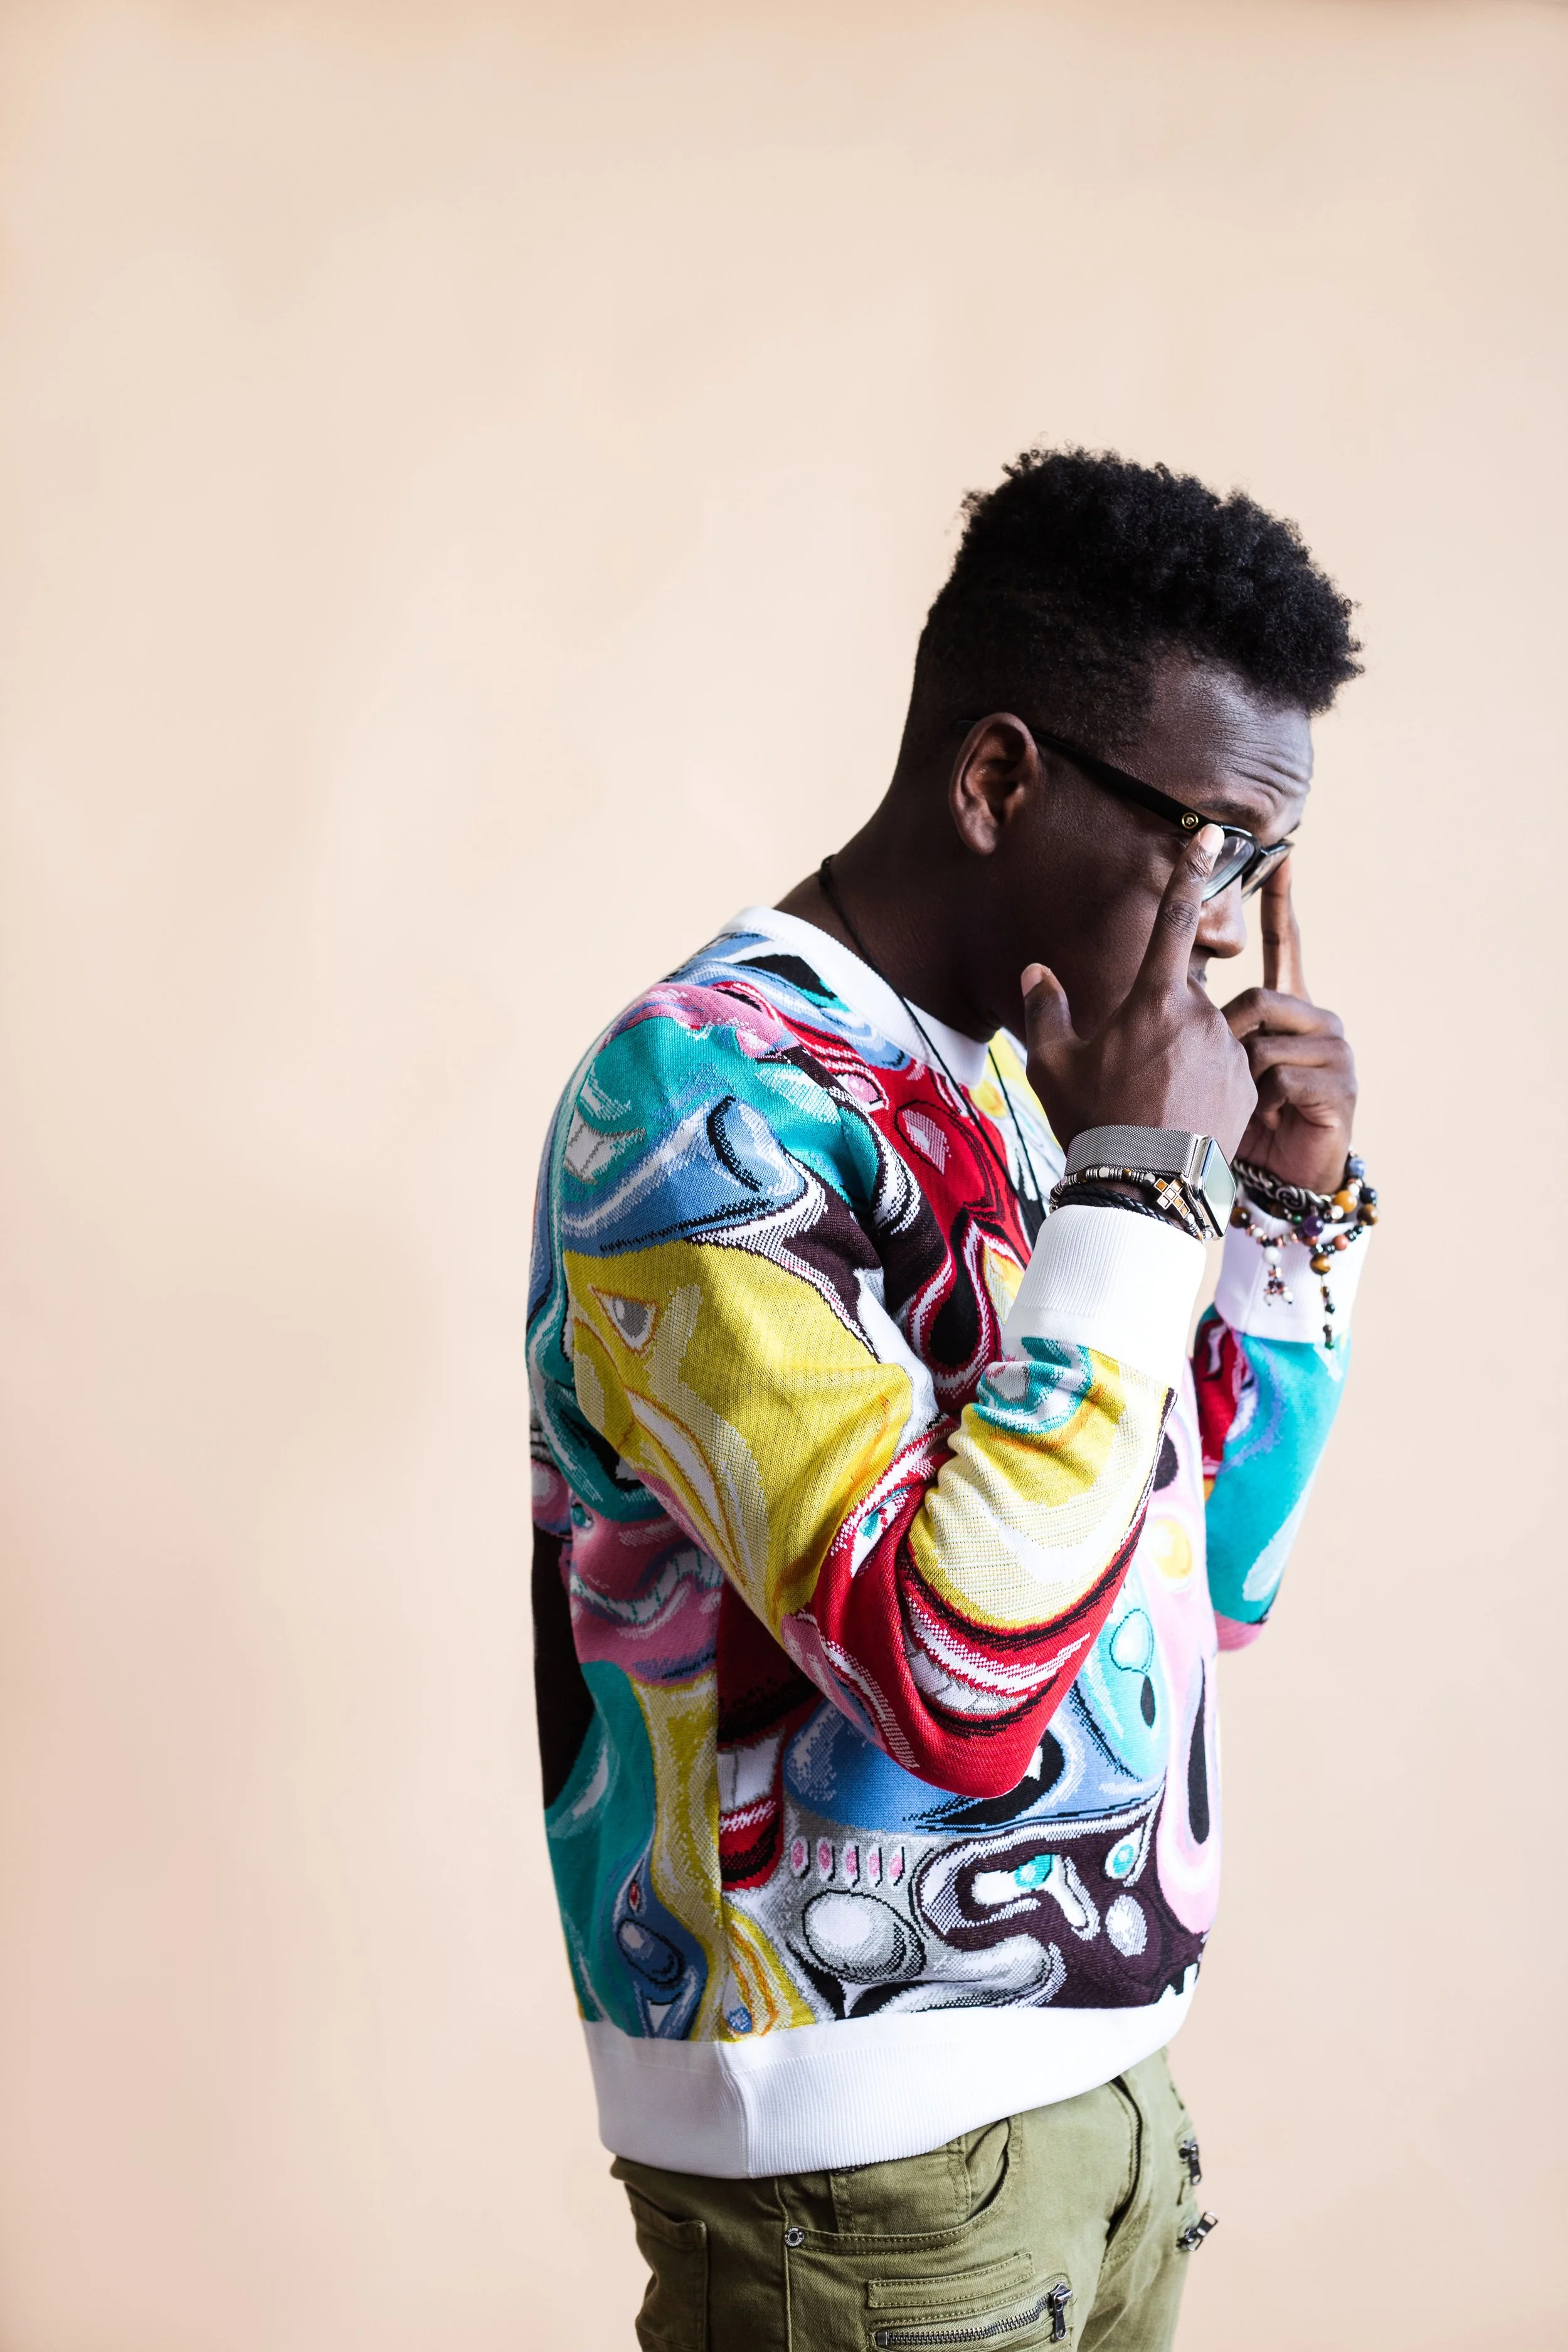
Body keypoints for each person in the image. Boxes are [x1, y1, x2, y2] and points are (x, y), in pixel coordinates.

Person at [527, 447, 1370, 2350]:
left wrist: (1281, 1231)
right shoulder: (704, 1106)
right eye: (1209, 837)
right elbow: (958, 1676)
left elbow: (1198, 1585)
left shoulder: (1033, 1074)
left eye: (1264, 860)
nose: (1228, 919)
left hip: (1099, 2116)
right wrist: (1143, 1188)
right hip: (866, 2183)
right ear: (996, 778)